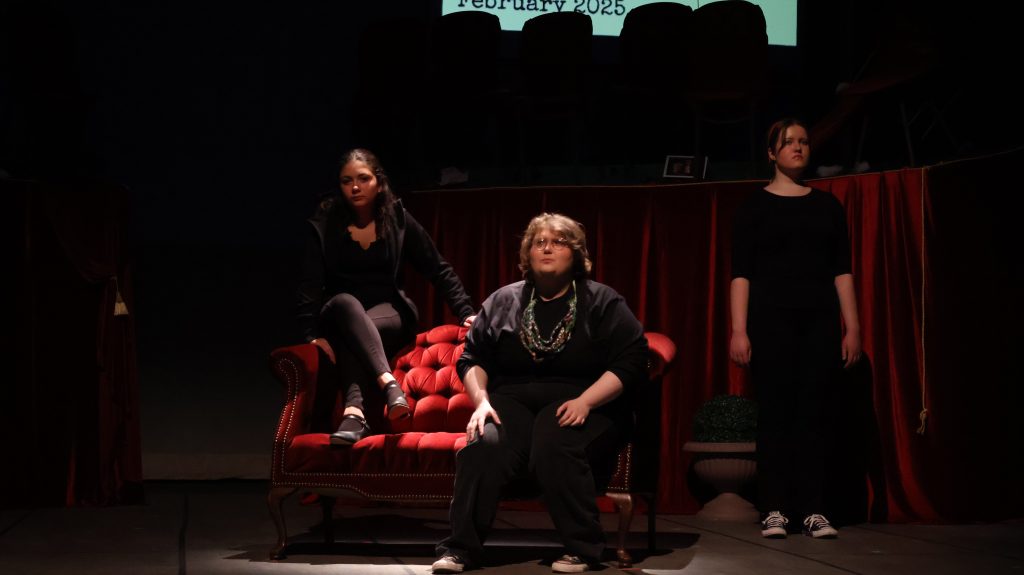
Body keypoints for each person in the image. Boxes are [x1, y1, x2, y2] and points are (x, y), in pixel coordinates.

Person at [432, 213, 649, 574]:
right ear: (527, 254)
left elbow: (633, 359)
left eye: (559, 242)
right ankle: (460, 549)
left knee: (555, 439)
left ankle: (583, 548)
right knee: (484, 444)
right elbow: (472, 358)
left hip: (583, 398)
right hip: (512, 399)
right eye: (539, 242)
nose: (547, 248)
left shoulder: (601, 301)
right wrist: (481, 402)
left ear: (576, 254)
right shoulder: (503, 300)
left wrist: (587, 401)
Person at [729, 118, 862, 539]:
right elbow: (741, 274)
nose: (798, 147)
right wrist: (738, 330)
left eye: (804, 141)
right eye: (788, 142)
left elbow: (842, 272)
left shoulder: (827, 206)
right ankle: (774, 509)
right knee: (775, 415)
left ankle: (813, 509)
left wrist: (853, 327)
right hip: (770, 323)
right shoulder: (753, 207)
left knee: (814, 415)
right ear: (772, 152)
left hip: (819, 323)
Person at [296, 148, 476, 445]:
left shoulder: (396, 218)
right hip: (338, 311)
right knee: (345, 302)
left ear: (379, 183)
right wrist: (310, 334)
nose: (355, 187)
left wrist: (465, 311)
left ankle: (354, 415)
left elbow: (438, 268)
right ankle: (389, 385)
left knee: (352, 336)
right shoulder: (326, 222)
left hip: (388, 311)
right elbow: (310, 283)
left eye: (363, 179)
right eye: (347, 181)